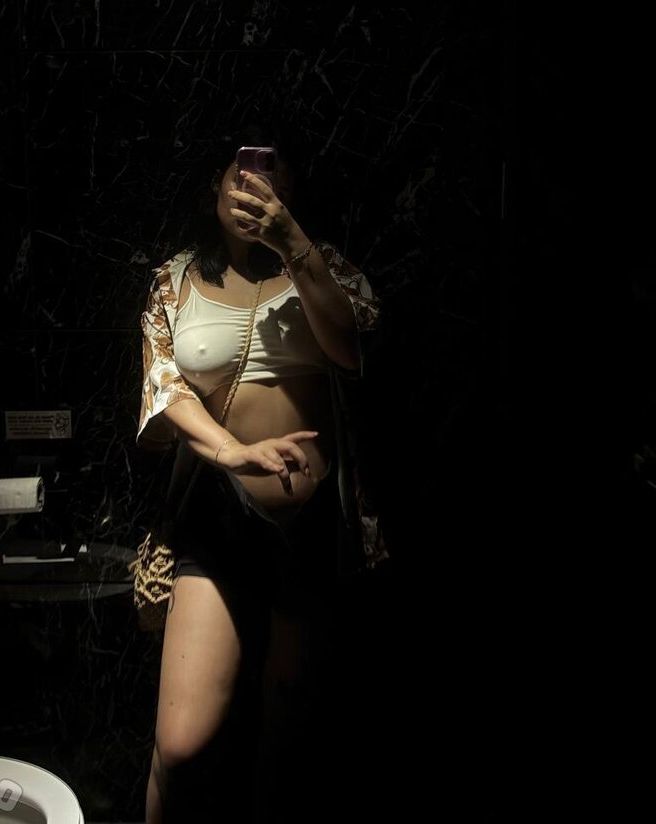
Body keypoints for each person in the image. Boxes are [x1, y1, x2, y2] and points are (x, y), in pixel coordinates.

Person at [135, 124, 386, 823]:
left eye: (272, 177)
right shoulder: (175, 279)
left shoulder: (324, 264)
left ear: (292, 191)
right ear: (215, 186)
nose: (254, 189)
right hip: (218, 516)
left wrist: (291, 244)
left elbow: (352, 349)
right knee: (181, 745)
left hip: (314, 526)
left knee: (290, 740)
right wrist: (229, 451)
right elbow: (163, 384)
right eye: (241, 174)